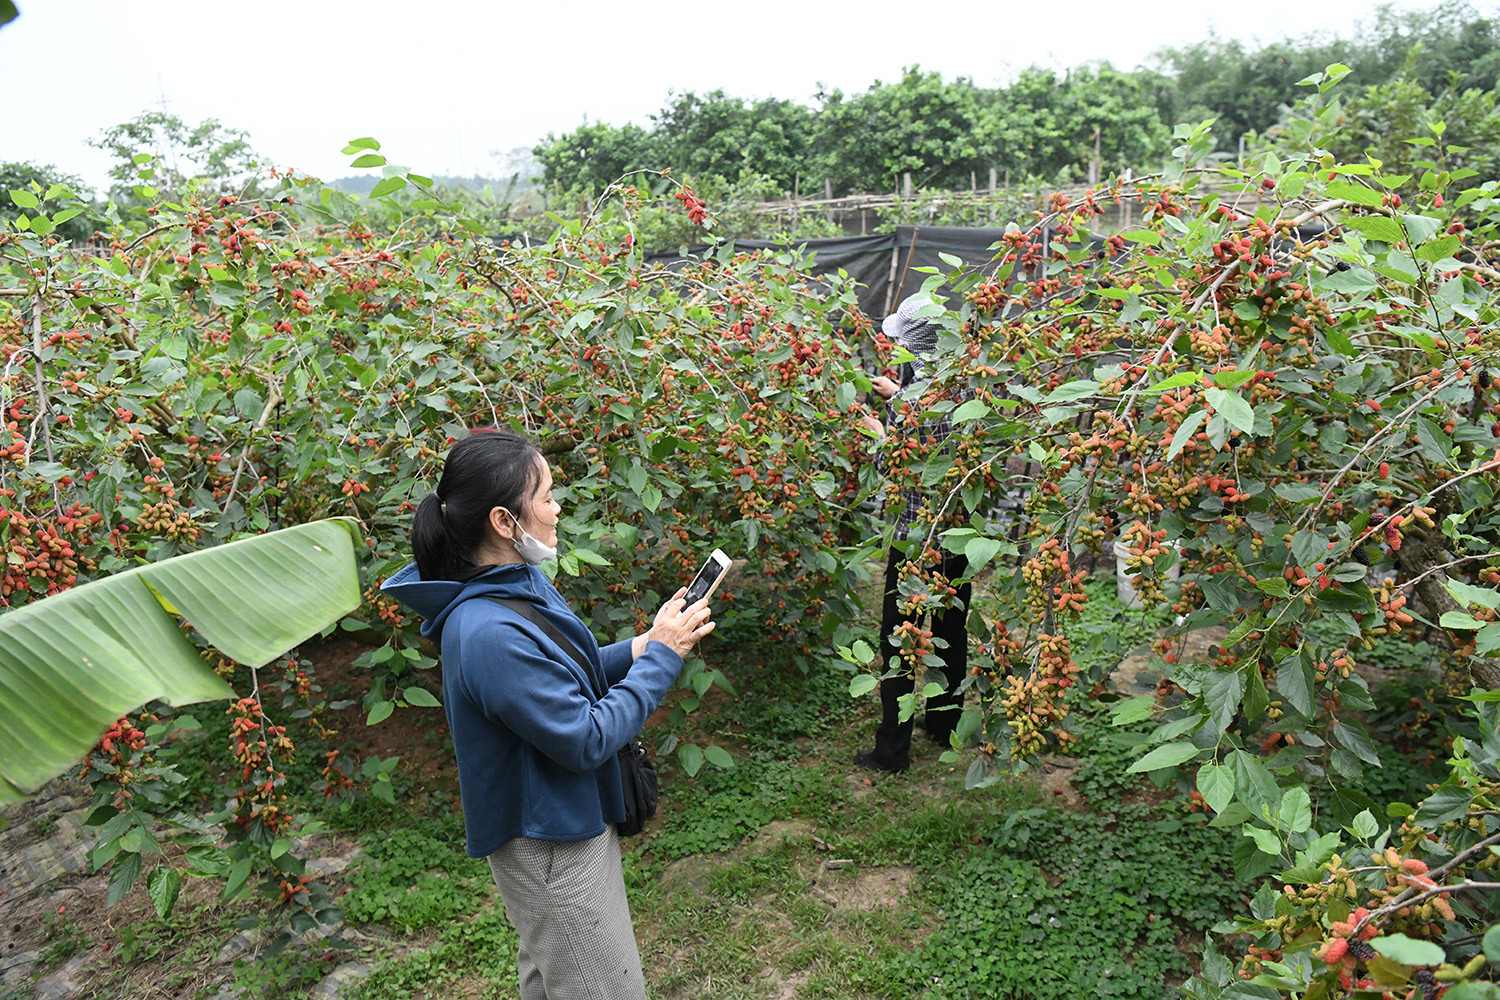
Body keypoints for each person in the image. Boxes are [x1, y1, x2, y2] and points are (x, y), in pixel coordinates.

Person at [382, 430, 714, 1000]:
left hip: (563, 821)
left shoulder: (513, 582)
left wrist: (645, 644)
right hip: (550, 849)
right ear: (504, 522)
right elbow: (583, 736)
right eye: (546, 497)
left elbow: (566, 673)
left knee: (553, 980)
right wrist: (661, 660)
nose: (557, 508)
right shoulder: (485, 632)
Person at [854, 294, 973, 774]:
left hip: (914, 542)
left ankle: (891, 753)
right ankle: (944, 724)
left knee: (899, 642)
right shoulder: (963, 390)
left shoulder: (908, 407)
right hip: (957, 539)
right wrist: (895, 397)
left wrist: (875, 433)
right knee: (949, 633)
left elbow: (897, 467)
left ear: (910, 343)